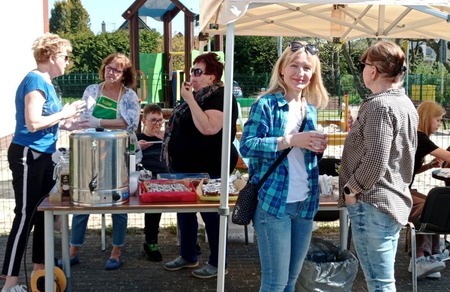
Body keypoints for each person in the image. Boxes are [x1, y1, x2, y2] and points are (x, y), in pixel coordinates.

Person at [239, 41, 329, 291]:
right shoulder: (266, 104)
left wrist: (317, 148)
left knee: (291, 280)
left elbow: (302, 158)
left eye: (307, 68)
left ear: (313, 75)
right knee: (275, 283)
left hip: (305, 203)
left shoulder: (309, 109)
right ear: (281, 69)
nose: (300, 73)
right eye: (295, 65)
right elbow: (247, 146)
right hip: (273, 203)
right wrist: (290, 140)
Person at [2, 33, 86, 292]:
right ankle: (9, 283)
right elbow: (33, 122)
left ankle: (39, 272)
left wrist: (72, 122)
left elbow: (50, 120)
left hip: (45, 156)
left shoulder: (47, 82)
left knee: (43, 214)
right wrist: (64, 113)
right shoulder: (35, 81)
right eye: (65, 56)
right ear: (51, 56)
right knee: (25, 216)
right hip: (29, 156)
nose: (67, 62)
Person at [339, 40, 418, 291]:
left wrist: (351, 190)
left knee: (379, 283)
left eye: (363, 65)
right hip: (390, 200)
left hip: (372, 202)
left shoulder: (380, 105)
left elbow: (375, 159)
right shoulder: (404, 102)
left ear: (372, 70)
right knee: (382, 281)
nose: (363, 70)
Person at [162, 52, 239, 279]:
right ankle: (188, 255)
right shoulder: (198, 97)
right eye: (192, 72)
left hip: (210, 166)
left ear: (212, 77)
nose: (192, 77)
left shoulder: (220, 97)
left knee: (211, 214)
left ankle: (218, 262)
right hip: (185, 166)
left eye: (198, 72)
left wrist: (189, 100)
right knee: (185, 212)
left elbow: (208, 128)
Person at [62, 53, 140, 271]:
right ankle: (73, 251)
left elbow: (130, 122)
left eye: (116, 69)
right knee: (83, 199)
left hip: (119, 154)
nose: (110, 71)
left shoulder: (129, 96)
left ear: (125, 74)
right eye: (108, 67)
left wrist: (100, 121)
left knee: (118, 200)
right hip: (92, 153)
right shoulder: (92, 91)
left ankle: (116, 251)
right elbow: (85, 118)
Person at [408, 100, 450, 278]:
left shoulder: (417, 137)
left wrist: (430, 165)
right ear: (427, 118)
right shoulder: (420, 137)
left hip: (405, 186)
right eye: (438, 120)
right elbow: (448, 156)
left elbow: (412, 170)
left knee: (432, 205)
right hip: (400, 190)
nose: (439, 124)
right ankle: (420, 257)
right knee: (429, 208)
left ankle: (431, 254)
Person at [137, 104, 169, 262]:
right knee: (154, 199)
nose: (157, 124)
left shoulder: (166, 138)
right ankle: (151, 242)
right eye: (153, 120)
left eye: (160, 120)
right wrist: (137, 148)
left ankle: (189, 239)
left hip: (167, 176)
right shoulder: (137, 139)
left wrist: (164, 139)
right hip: (147, 177)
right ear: (144, 121)